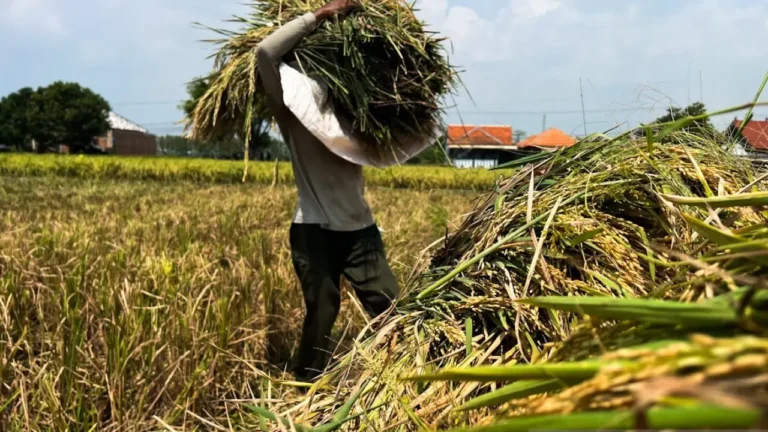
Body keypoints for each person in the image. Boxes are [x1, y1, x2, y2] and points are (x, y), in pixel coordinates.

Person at [256, 0, 400, 383]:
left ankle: (398, 374)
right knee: (323, 309)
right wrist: (317, 17)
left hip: (360, 231)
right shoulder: (291, 110)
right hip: (314, 231)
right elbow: (265, 52)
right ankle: (307, 385)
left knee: (391, 305)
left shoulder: (361, 116)